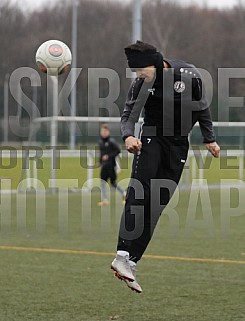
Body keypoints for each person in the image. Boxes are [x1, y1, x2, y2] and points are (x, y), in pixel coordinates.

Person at [111, 41, 220, 293]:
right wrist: (128, 136)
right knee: (139, 194)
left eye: (141, 70)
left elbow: (201, 106)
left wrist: (209, 138)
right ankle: (121, 254)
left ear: (157, 63)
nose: (138, 75)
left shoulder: (189, 75)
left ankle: (131, 262)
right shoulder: (142, 84)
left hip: (179, 143)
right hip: (151, 138)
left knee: (157, 205)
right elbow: (128, 115)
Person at [98, 124, 126, 206]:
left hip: (111, 166)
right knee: (103, 182)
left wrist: (109, 156)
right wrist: (100, 161)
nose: (103, 133)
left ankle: (124, 193)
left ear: (108, 132)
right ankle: (104, 200)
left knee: (113, 182)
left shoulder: (111, 141)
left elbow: (118, 150)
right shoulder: (101, 142)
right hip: (104, 166)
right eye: (102, 131)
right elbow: (102, 154)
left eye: (105, 131)